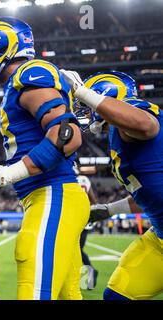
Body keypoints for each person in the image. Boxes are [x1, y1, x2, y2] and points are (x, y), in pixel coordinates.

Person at [0, 17, 89, 300]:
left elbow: (67, 135)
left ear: (2, 47)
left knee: (32, 283)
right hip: (49, 196)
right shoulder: (16, 84)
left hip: (53, 194)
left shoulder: (30, 73)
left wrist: (9, 174)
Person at [62, 69, 163, 300]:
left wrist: (82, 91)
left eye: (85, 104)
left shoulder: (136, 115)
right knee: (117, 295)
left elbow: (145, 125)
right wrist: (108, 210)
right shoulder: (118, 134)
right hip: (159, 239)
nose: (84, 112)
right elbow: (146, 194)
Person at [75, 168, 99, 290]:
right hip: (86, 218)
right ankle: (90, 271)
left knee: (76, 249)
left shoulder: (72, 180)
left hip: (76, 219)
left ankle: (90, 270)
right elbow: (94, 200)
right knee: (77, 249)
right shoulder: (85, 180)